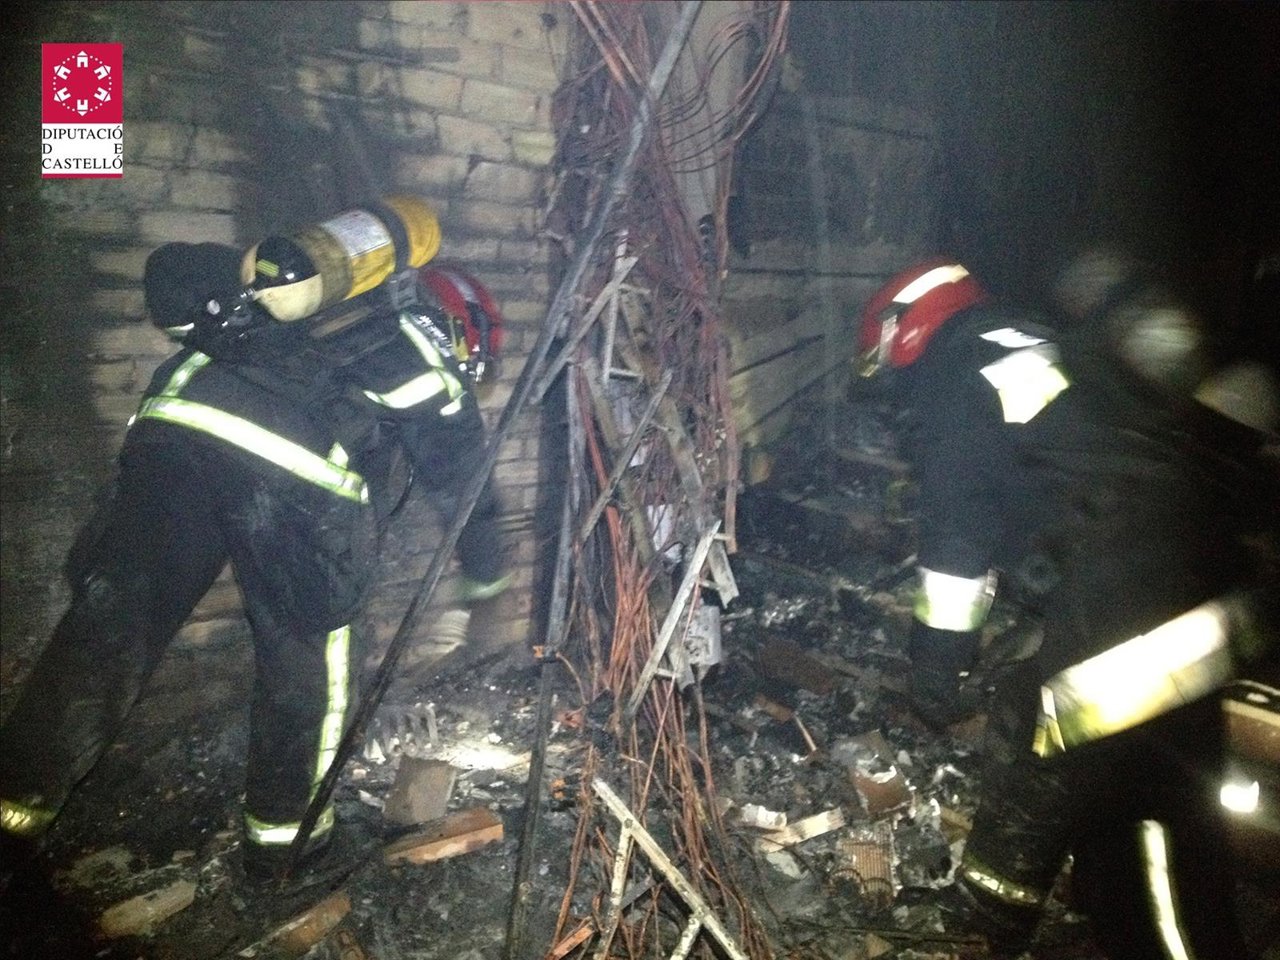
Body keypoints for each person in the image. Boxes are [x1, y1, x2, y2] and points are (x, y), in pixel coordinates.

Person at [0, 226, 509, 885]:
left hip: (172, 430)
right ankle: (284, 852)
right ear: (462, 328)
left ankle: (15, 807)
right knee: (311, 662)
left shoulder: (289, 308)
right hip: (289, 470)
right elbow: (468, 490)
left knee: (110, 628)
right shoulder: (422, 355)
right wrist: (487, 584)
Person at [856, 257, 1278, 958]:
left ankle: (987, 929)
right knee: (1127, 790)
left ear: (905, 330)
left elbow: (957, 552)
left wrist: (935, 670)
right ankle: (1068, 917)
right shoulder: (1034, 343)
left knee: (1136, 820)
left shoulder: (961, 383)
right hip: (1192, 576)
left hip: (1144, 607)